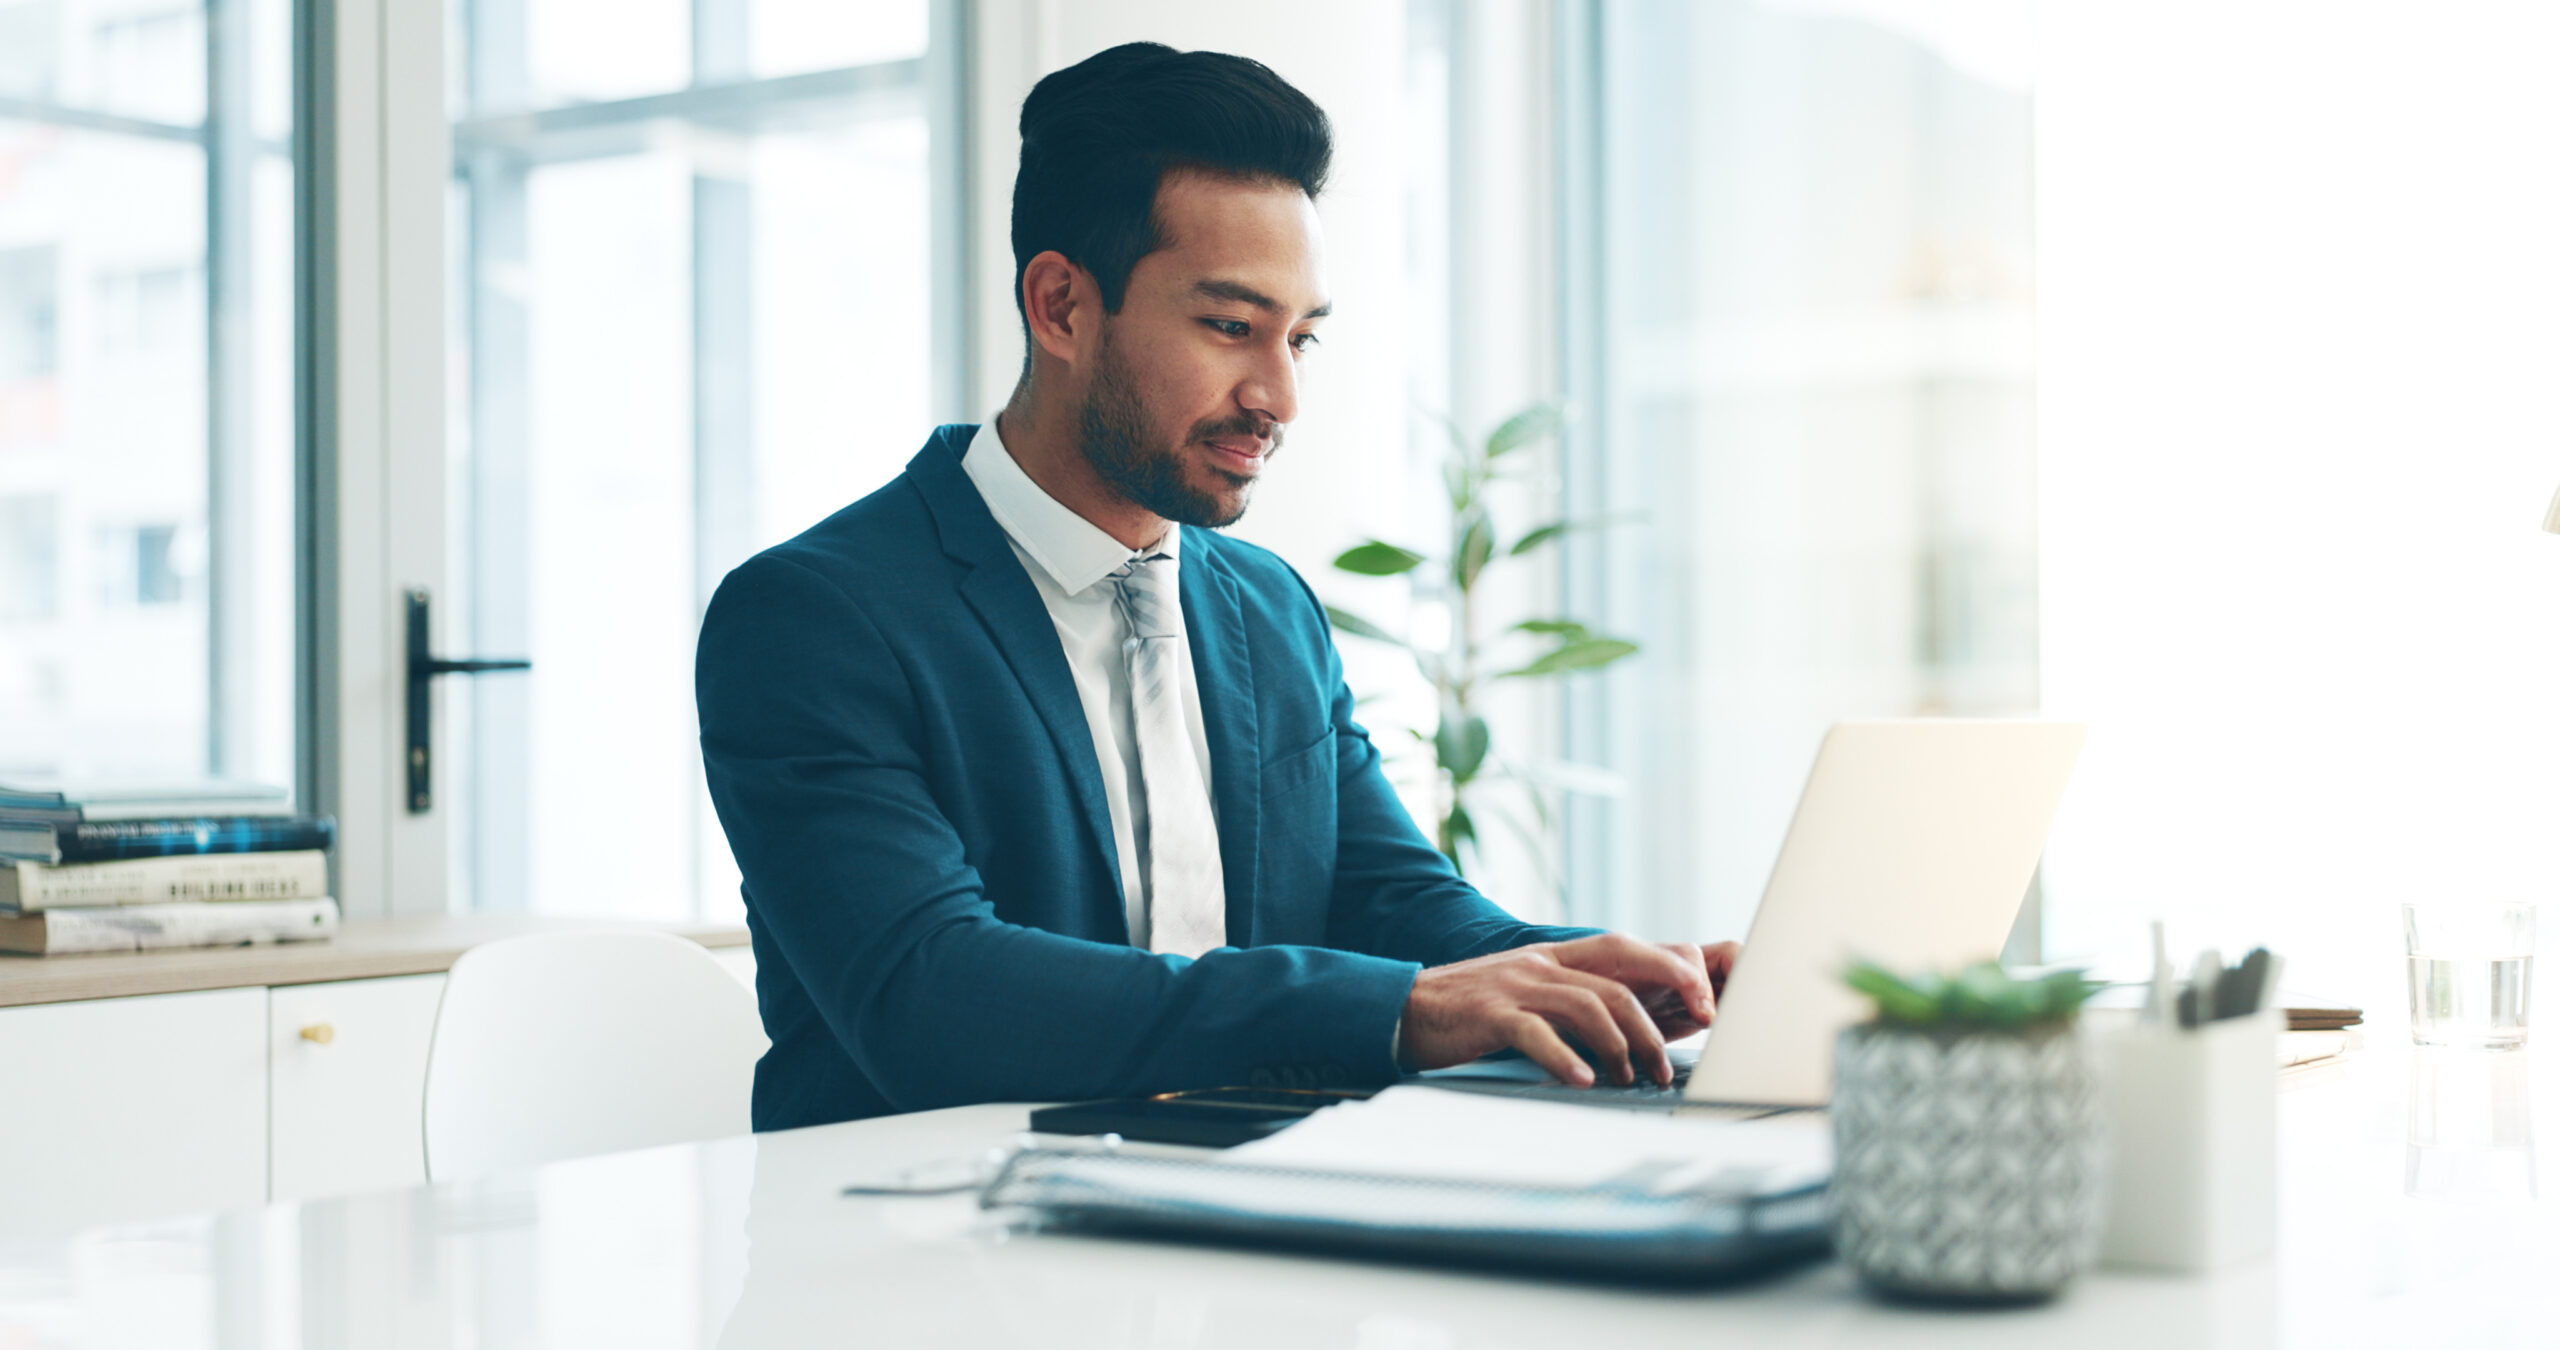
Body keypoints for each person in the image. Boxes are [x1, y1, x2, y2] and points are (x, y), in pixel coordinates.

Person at [696, 41, 1736, 1132]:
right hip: (920, 1241)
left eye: (1300, 338)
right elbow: (929, 994)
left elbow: (1391, 905)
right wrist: (1406, 1007)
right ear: (1060, 306)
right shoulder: (815, 617)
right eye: (1232, 327)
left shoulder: (1267, 607)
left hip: (1225, 1219)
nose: (1278, 395)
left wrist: (1619, 980)